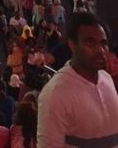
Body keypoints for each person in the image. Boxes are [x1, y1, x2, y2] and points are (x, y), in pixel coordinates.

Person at [37, 11, 118, 148]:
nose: (100, 50)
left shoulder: (107, 79)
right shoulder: (55, 93)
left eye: (103, 43)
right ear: (73, 45)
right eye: (90, 42)